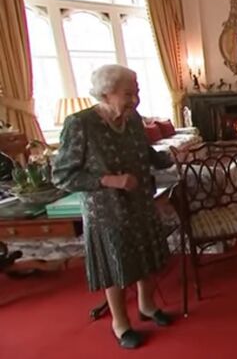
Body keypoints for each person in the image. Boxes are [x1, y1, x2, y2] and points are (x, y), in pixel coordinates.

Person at [52, 65, 174, 349]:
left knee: (147, 258)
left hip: (141, 202)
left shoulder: (133, 119)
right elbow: (62, 176)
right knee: (116, 267)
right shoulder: (79, 124)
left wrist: (169, 157)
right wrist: (110, 180)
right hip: (107, 212)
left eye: (137, 92)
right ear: (106, 93)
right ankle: (120, 324)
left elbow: (145, 153)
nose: (135, 99)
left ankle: (147, 306)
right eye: (128, 94)